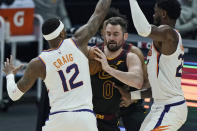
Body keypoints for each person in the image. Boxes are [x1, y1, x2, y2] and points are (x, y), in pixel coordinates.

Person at [2, 0, 111, 130]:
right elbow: (99, 12)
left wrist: (9, 74)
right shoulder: (78, 43)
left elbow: (14, 95)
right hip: (85, 118)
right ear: (63, 33)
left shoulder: (38, 63)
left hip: (59, 119)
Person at [129, 0, 188, 130]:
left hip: (171, 107)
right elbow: (157, 90)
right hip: (160, 106)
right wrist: (131, 96)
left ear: (163, 13)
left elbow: (143, 30)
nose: (153, 15)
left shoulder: (168, 33)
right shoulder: (166, 39)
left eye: (155, 12)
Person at [90, 16, 144, 131]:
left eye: (115, 34)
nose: (111, 38)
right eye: (108, 34)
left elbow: (138, 82)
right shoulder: (93, 53)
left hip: (114, 117)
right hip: (90, 117)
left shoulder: (131, 56)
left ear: (125, 36)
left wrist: (108, 68)